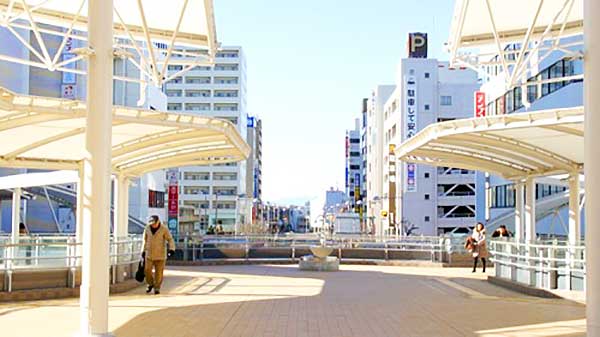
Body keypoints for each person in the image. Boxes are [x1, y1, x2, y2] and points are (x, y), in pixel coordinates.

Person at [142, 215, 175, 295]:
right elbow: (144, 240)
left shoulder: (164, 229)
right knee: (147, 270)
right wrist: (143, 251)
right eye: (151, 223)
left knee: (159, 273)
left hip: (161, 255)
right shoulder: (147, 228)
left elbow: (170, 239)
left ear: (158, 222)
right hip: (149, 254)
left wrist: (171, 249)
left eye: (154, 223)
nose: (152, 225)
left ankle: (157, 288)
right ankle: (150, 284)